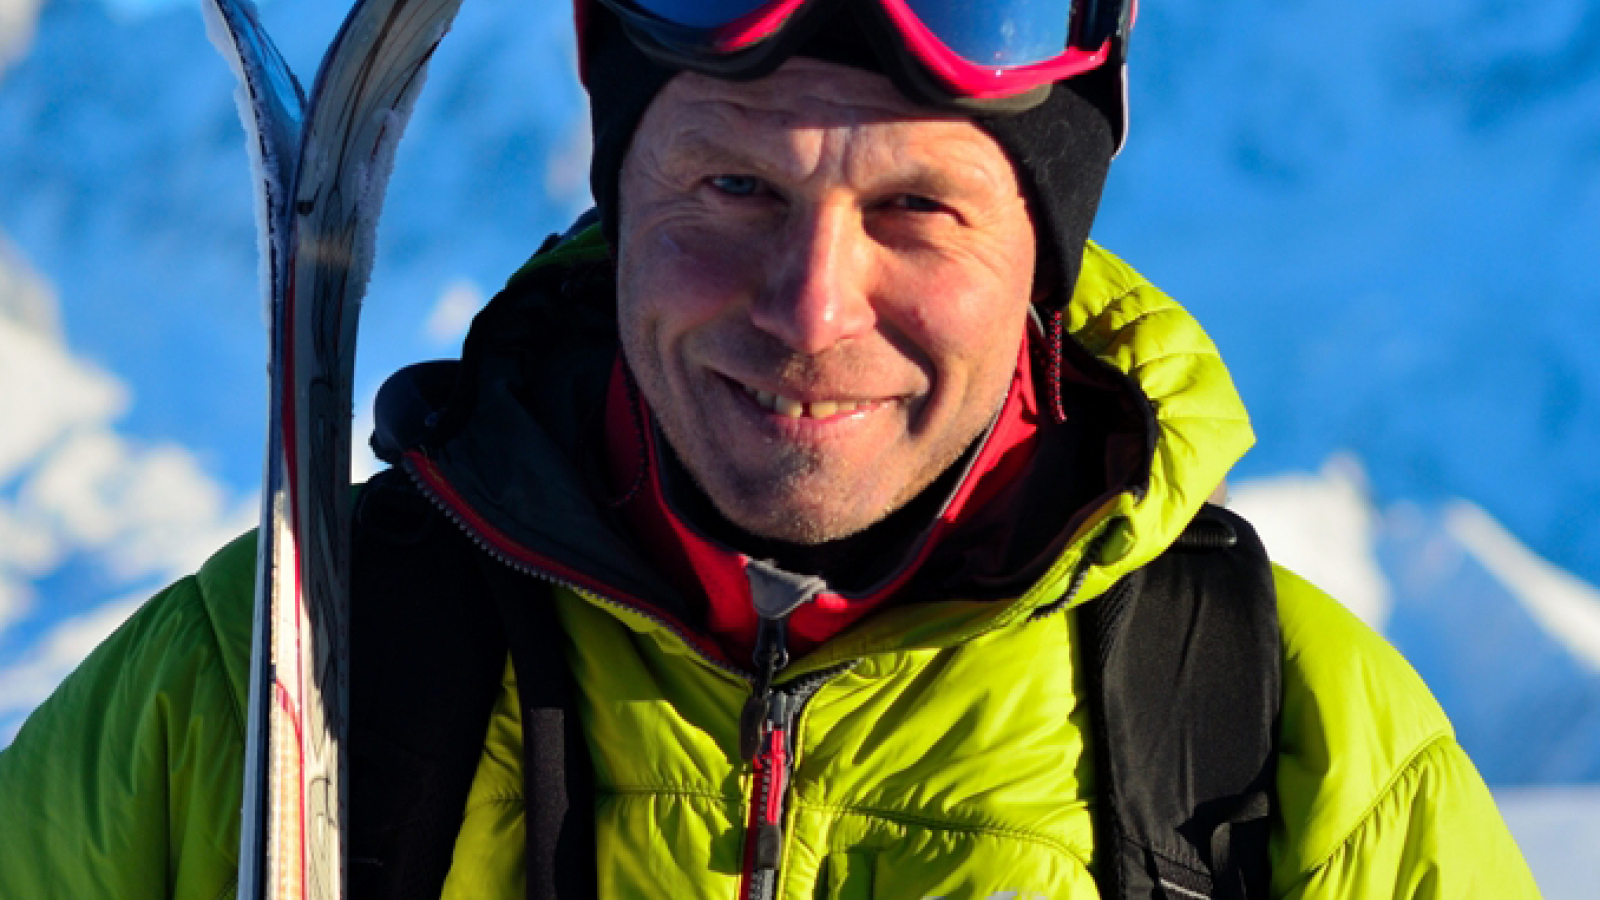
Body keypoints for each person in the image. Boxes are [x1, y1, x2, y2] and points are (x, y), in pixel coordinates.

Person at [0, 0, 1541, 897]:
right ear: (619, 193)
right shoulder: (267, 683)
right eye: (731, 188)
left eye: (916, 211)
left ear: (1043, 256)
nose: (811, 307)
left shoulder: (1286, 748)